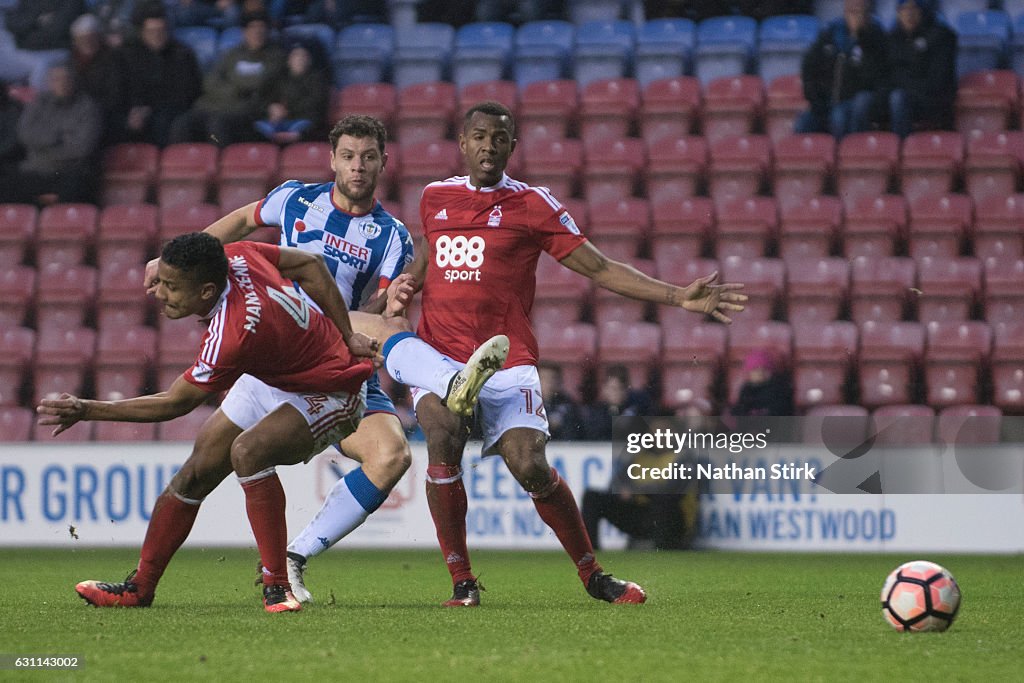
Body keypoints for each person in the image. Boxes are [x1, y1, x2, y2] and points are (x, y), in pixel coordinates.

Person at [381, 100, 746, 607]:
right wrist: (404, 287)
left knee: (529, 464)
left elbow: (597, 267)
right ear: (463, 144)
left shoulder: (534, 204)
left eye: (500, 137)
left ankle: (593, 575)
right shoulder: (434, 196)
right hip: (439, 358)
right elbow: (426, 257)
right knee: (441, 435)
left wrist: (676, 295)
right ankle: (463, 583)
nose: (489, 145)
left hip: (506, 360)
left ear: (513, 146)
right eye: (480, 136)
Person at [143, 114, 508, 604]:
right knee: (197, 471)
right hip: (272, 359)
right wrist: (180, 263)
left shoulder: (392, 237)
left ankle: (292, 558)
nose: (358, 167)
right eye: (349, 156)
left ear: (383, 162)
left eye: (369, 157)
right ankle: (138, 584)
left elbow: (374, 311)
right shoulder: (297, 198)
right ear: (333, 159)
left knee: (392, 454)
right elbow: (244, 220)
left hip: (335, 357)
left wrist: (392, 304)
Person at [38, 232, 379, 613]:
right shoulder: (238, 255)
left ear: (206, 291)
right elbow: (311, 265)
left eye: (171, 286)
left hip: (332, 388)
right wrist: (347, 333)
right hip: (273, 374)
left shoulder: (231, 334)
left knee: (248, 452)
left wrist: (87, 409)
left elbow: (175, 403)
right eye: (161, 282)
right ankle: (139, 589)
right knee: (193, 475)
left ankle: (277, 587)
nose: (159, 294)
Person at [169, 10, 286, 146]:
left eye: (261, 27)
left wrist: (231, 81)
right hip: (211, 106)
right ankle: (183, 165)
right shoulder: (232, 54)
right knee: (181, 125)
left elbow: (259, 82)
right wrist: (237, 89)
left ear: (268, 31)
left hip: (244, 111)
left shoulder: (276, 56)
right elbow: (210, 82)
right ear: (244, 31)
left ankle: (220, 164)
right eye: (252, 27)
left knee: (216, 129)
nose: (257, 32)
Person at [0, 63, 101, 205]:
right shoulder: (38, 102)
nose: (62, 83)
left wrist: (40, 147)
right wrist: (58, 137)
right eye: (56, 79)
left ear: (74, 81)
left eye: (66, 79)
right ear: (49, 82)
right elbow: (24, 134)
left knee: (77, 187)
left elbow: (81, 148)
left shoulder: (87, 107)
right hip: (35, 169)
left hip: (67, 171)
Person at [794, 0, 887, 139]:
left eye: (859, 11)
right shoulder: (831, 33)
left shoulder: (876, 37)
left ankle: (844, 156)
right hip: (824, 102)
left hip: (853, 101)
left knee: (839, 117)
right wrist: (816, 100)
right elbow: (809, 66)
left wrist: (861, 38)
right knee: (803, 123)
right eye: (851, 11)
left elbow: (874, 77)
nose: (856, 16)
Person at [119, 2, 203, 147]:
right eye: (151, 32)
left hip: (173, 110)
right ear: (142, 32)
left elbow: (187, 92)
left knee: (164, 122)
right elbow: (124, 88)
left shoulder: (182, 54)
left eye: (161, 30)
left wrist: (150, 109)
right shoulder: (130, 55)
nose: (157, 36)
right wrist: (135, 109)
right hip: (137, 109)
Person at [884, 0, 957, 138]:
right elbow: (889, 74)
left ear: (922, 11)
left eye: (914, 8)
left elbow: (939, 80)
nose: (909, 14)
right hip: (905, 95)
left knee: (897, 98)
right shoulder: (892, 39)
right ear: (898, 13)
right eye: (904, 9)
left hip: (932, 100)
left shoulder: (940, 36)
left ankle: (902, 149)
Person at [69, 13, 128, 145]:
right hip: (75, 114)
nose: (87, 42)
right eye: (82, 39)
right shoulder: (70, 62)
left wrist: (88, 109)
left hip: (103, 114)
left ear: (99, 38)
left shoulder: (112, 60)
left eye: (91, 38)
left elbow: (114, 95)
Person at [254, 44, 329, 144]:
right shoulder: (279, 79)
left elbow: (315, 104)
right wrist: (271, 108)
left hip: (303, 122)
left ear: (309, 60)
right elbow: (264, 98)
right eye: (296, 56)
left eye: (303, 56)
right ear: (289, 60)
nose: (299, 60)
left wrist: (287, 111)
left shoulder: (317, 79)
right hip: (276, 122)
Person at [581, 365, 656, 441]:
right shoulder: (596, 413)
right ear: (604, 389)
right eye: (613, 388)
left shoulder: (640, 406)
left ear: (627, 389)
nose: (617, 393)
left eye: (621, 388)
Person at [538, 363, 584, 441]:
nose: (549, 383)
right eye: (544, 378)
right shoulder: (527, 405)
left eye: (553, 379)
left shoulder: (569, 403)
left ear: (560, 382)